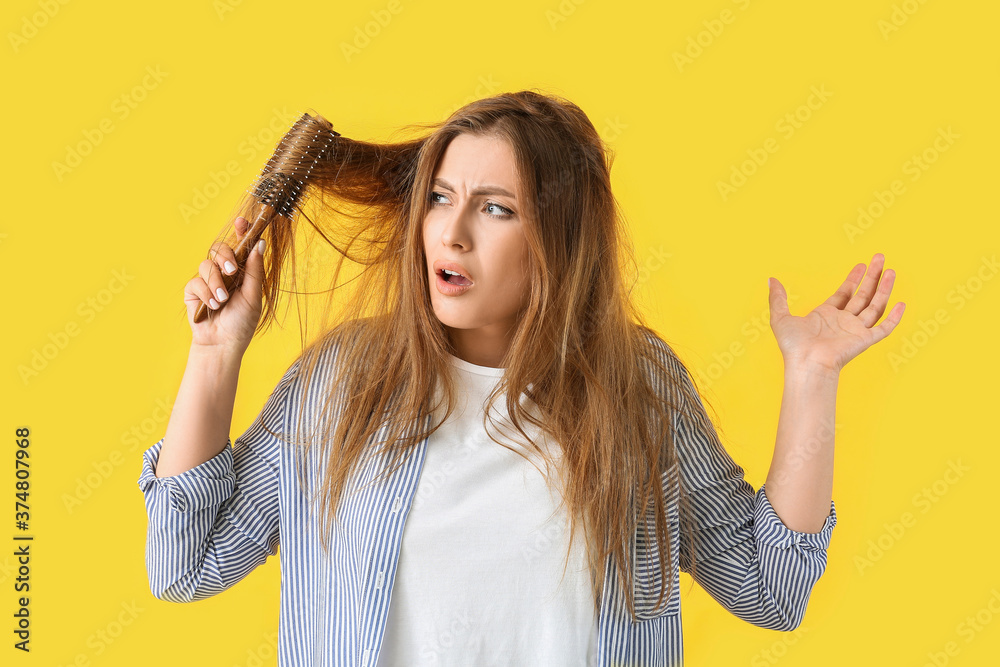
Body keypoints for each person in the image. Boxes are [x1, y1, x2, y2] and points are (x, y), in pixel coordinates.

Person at [137, 90, 905, 667]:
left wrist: (812, 378)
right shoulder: (339, 384)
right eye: (439, 197)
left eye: (495, 208)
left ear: (557, 237)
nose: (452, 229)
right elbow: (183, 563)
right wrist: (215, 351)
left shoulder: (636, 389)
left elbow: (770, 590)